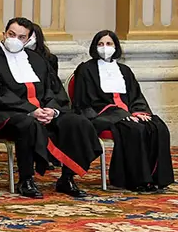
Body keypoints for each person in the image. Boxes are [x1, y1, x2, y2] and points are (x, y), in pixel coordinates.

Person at [0, 17, 101, 199]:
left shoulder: (37, 60)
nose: (15, 39)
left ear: (28, 39)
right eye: (12, 34)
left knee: (77, 122)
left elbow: (53, 88)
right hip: (6, 113)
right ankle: (26, 179)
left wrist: (52, 110)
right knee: (28, 124)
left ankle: (67, 178)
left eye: (21, 37)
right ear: (4, 34)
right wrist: (30, 110)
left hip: (42, 112)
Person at [71, 30, 174, 192]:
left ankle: (157, 178)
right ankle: (136, 180)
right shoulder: (86, 70)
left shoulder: (125, 70)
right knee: (135, 129)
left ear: (116, 46)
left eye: (109, 44)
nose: (105, 48)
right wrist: (120, 115)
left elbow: (135, 95)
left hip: (130, 113)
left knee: (157, 126)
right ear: (94, 47)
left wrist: (139, 112)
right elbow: (85, 100)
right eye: (101, 44)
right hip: (104, 115)